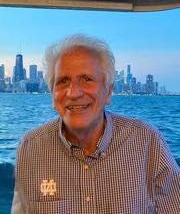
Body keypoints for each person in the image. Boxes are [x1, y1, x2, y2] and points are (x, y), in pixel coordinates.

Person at [12, 34, 180, 214]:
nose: (74, 92)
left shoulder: (147, 142)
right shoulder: (30, 148)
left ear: (108, 91)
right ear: (53, 95)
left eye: (86, 79)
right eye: (63, 81)